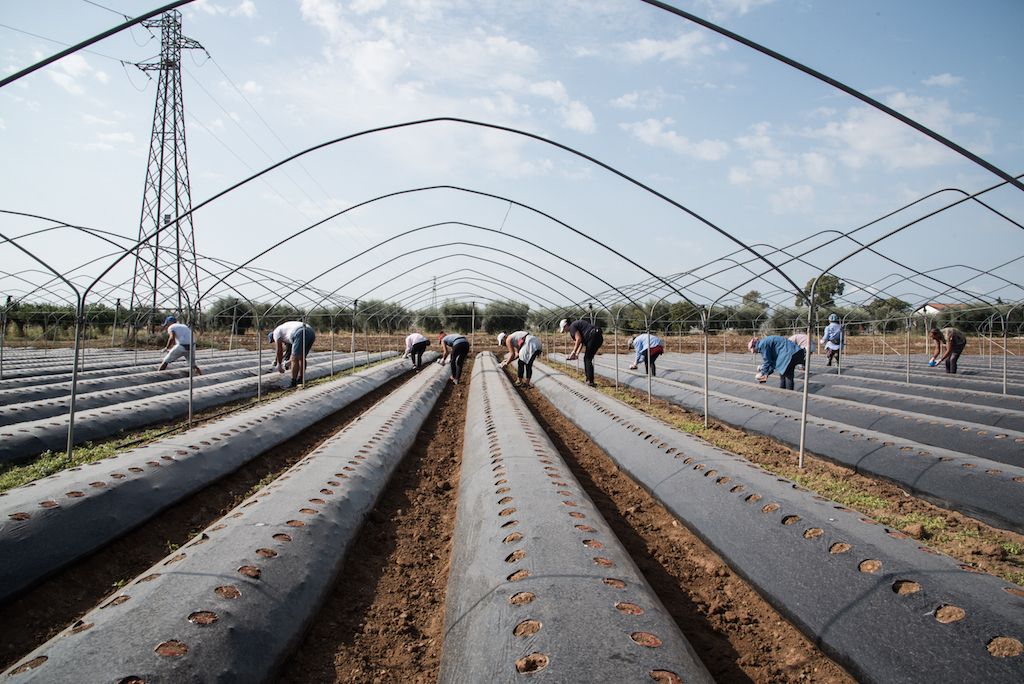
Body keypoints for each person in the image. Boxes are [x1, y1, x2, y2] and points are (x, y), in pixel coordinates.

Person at [270, 320, 316, 387]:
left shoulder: (276, 333)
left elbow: (279, 349)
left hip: (300, 332)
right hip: (311, 332)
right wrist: (280, 360)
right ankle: (300, 380)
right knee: (302, 357)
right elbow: (287, 350)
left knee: (295, 359)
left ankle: (293, 382)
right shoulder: (285, 331)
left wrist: (279, 365)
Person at [560, 318, 604, 387]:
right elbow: (581, 342)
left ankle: (590, 381)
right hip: (598, 337)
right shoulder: (576, 325)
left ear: (566, 326)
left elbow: (578, 339)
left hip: (592, 336)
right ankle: (590, 380)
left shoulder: (572, 327)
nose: (565, 331)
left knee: (587, 359)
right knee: (587, 358)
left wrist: (573, 352)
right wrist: (577, 354)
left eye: (564, 329)